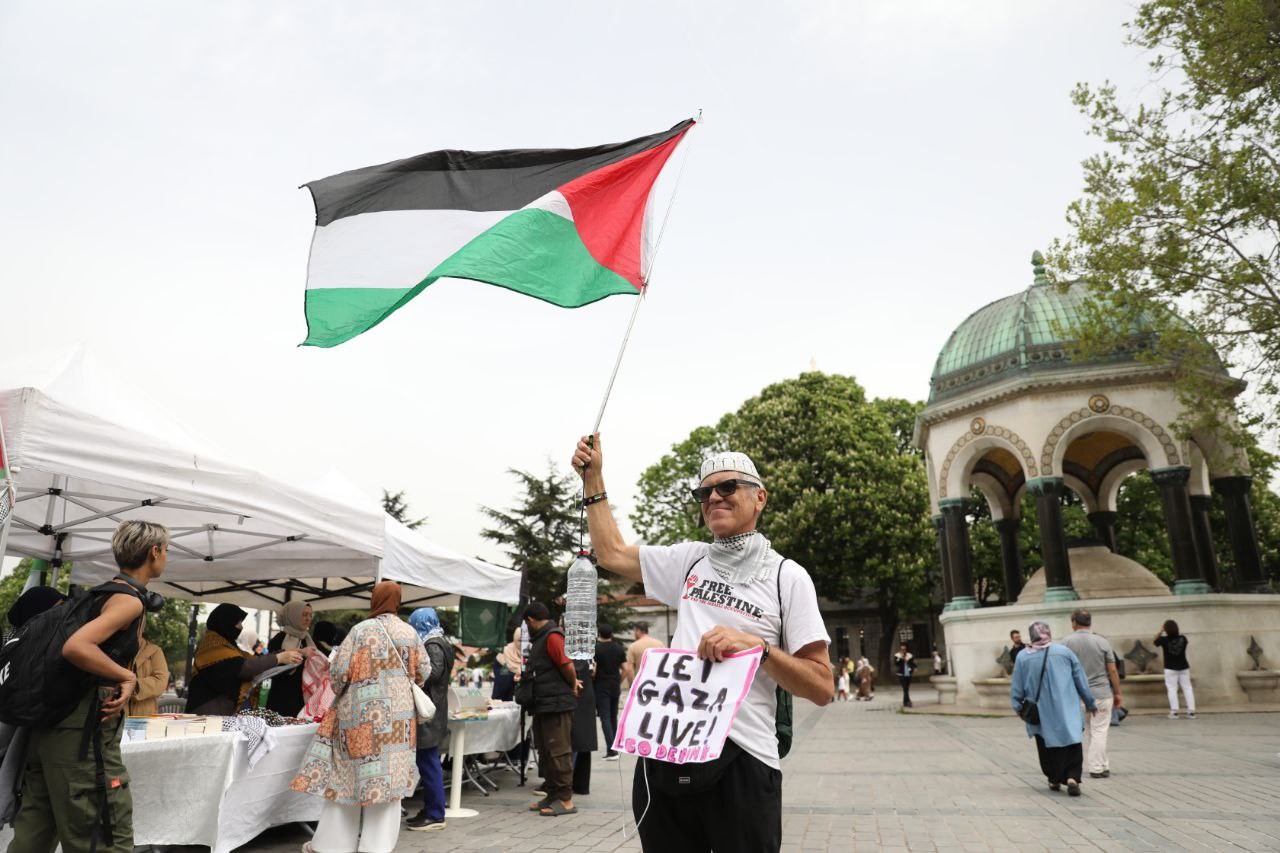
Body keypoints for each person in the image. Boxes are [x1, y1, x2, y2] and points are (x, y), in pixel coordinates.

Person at [573, 437, 831, 853]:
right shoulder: (690, 560)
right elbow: (612, 553)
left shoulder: (787, 576)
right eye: (704, 492)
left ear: (760, 497)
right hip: (668, 749)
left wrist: (759, 648)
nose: (713, 497)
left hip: (744, 757)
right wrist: (594, 478)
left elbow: (821, 686)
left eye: (727, 487)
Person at [8, 520, 167, 853]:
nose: (166, 556)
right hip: (81, 733)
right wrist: (127, 676)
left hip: (51, 725)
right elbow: (77, 647)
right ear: (154, 552)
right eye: (166, 550)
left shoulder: (97, 595)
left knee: (36, 828)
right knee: (101, 833)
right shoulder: (129, 600)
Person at [291, 581, 428, 853]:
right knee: (388, 783)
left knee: (347, 780)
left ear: (374, 600)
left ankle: (331, 846)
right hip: (398, 722)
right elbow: (424, 671)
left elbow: (338, 674)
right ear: (398, 601)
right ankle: (375, 847)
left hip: (359, 717)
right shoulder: (410, 632)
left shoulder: (360, 630)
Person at [1010, 621, 1097, 797]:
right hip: (1067, 708)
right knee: (1072, 741)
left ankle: (1054, 778)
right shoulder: (1064, 652)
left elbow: (1017, 685)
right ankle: (1072, 778)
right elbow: (1080, 679)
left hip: (1040, 711)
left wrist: (1018, 706)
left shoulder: (1023, 657)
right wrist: (1090, 702)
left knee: (1045, 743)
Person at [520, 601, 581, 817]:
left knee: (558, 751)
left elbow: (567, 665)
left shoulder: (553, 637)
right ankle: (553, 794)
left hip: (556, 705)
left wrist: (573, 684)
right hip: (544, 704)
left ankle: (565, 799)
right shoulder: (542, 638)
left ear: (530, 620)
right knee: (546, 752)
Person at [185, 604, 302, 715]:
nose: (241, 627)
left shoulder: (225, 644)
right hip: (208, 713)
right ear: (226, 622)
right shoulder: (212, 646)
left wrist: (288, 653)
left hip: (218, 710)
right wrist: (279, 658)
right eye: (238, 622)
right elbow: (244, 667)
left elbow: (248, 660)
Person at [1061, 609, 1122, 779]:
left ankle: (1102, 764)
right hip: (1102, 693)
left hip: (1078, 695)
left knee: (1091, 731)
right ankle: (1097, 766)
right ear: (1090, 622)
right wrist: (1118, 693)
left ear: (1074, 622)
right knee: (1100, 730)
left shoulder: (1066, 643)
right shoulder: (1102, 642)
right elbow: (1112, 670)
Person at [406, 607, 451, 833]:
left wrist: (411, 670)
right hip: (435, 711)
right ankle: (431, 809)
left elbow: (433, 673)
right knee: (428, 763)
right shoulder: (440, 641)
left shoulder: (433, 644)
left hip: (429, 714)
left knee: (429, 763)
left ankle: (435, 814)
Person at [265, 601, 315, 716]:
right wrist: (301, 653)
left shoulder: (308, 640)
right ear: (293, 616)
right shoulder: (278, 640)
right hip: (281, 700)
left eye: (310, 615)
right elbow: (275, 669)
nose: (308, 618)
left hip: (303, 700)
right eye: (304, 614)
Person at [593, 622, 626, 760]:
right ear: (611, 634)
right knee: (613, 717)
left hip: (601, 686)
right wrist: (619, 681)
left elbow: (594, 670)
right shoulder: (619, 648)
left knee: (605, 717)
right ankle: (615, 747)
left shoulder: (596, 649)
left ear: (599, 634)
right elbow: (626, 669)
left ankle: (611, 751)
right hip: (615, 685)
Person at [126, 622, 170, 717]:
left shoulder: (155, 651)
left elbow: (161, 681)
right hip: (117, 716)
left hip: (145, 717)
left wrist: (134, 686)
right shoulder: (111, 649)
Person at [1154, 619, 1195, 719]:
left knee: (1172, 689)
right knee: (1187, 688)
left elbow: (1155, 641)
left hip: (1170, 668)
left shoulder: (1164, 640)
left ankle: (1174, 711)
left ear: (1166, 629)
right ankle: (1191, 711)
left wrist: (1160, 631)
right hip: (1184, 667)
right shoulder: (1183, 638)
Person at [571, 657, 597, 796]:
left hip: (577, 695)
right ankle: (580, 785)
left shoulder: (575, 652)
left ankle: (566, 783)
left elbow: (575, 670)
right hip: (585, 694)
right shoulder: (587, 652)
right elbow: (593, 670)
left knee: (575, 740)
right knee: (582, 741)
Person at [622, 621, 662, 688]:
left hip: (641, 685)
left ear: (638, 631)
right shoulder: (660, 644)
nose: (634, 633)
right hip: (657, 683)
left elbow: (630, 669)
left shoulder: (633, 646)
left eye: (634, 631)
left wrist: (631, 686)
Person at [491, 627, 520, 702]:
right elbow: (502, 675)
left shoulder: (532, 650)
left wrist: (524, 677)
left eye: (525, 640)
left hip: (529, 699)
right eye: (519, 640)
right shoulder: (505, 651)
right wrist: (513, 676)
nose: (521, 643)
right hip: (506, 697)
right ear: (514, 639)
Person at [893, 643, 917, 708]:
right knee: (905, 688)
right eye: (902, 649)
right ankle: (909, 701)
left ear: (906, 649)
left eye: (904, 649)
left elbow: (912, 663)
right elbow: (896, 664)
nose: (903, 650)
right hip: (901, 673)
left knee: (906, 688)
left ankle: (905, 702)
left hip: (908, 673)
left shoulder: (909, 655)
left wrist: (915, 667)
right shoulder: (897, 656)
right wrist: (901, 658)